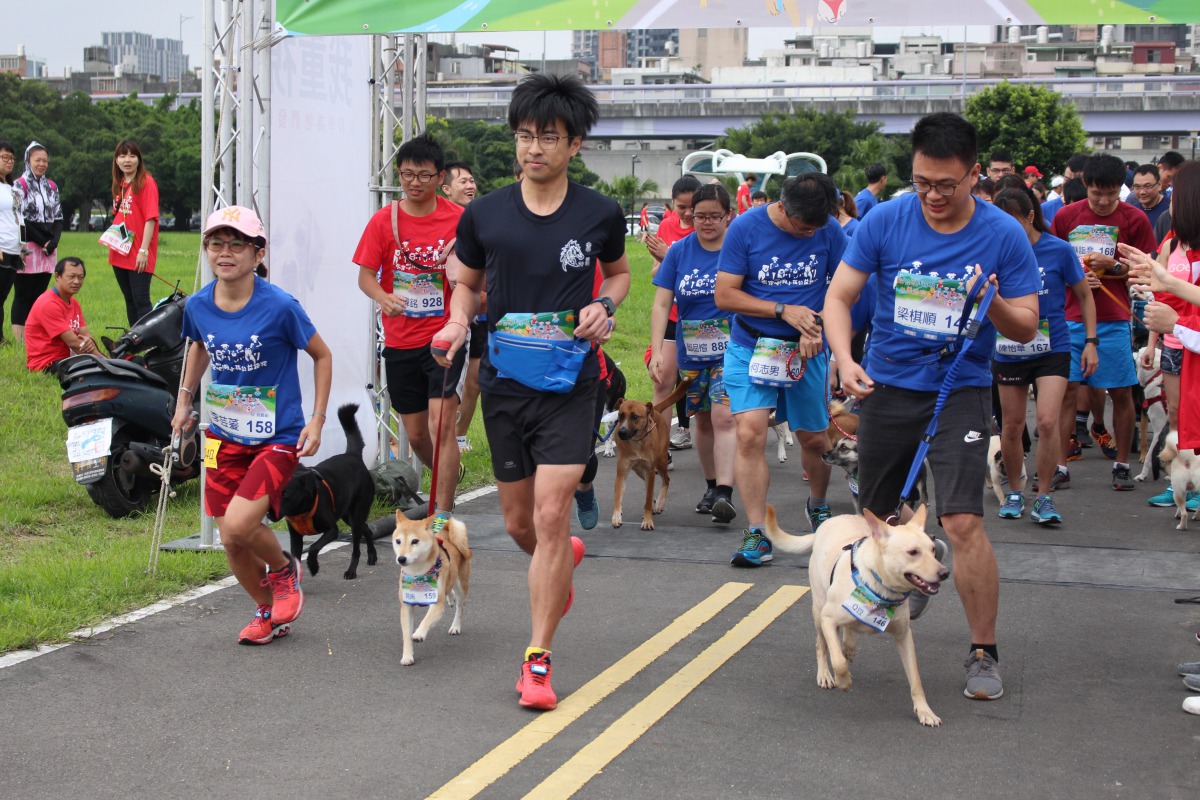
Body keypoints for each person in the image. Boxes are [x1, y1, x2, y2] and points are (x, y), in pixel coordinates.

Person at [824, 111, 1041, 702]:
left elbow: (1025, 327)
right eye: (923, 183)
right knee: (875, 517)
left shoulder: (1002, 234)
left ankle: (982, 651)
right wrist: (845, 359)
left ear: (975, 175)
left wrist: (991, 302)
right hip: (888, 387)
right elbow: (839, 297)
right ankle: (875, 605)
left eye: (948, 184)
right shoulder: (887, 219)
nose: (934, 196)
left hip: (961, 388)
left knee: (962, 520)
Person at [432, 73, 631, 711]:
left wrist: (604, 304)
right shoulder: (484, 213)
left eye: (548, 136)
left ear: (575, 144)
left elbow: (622, 275)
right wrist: (460, 320)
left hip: (572, 383)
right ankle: (558, 562)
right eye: (524, 136)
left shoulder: (598, 213)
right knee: (521, 524)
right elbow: (464, 283)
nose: (534, 148)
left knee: (550, 515)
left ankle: (537, 661)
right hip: (505, 384)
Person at [171, 206, 332, 645]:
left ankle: (284, 570)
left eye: (237, 244)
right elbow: (199, 347)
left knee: (242, 525)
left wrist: (316, 420)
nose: (225, 253)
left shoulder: (280, 306)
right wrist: (185, 399)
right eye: (216, 244)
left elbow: (322, 355)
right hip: (221, 435)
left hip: (275, 437)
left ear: (258, 253)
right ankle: (267, 613)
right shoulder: (199, 304)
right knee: (230, 540)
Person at [716, 171, 848, 566]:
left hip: (807, 351)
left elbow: (847, 290)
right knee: (750, 433)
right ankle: (758, 531)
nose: (810, 234)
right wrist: (781, 310)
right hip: (751, 346)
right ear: (782, 207)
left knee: (814, 440)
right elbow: (725, 294)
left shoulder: (829, 231)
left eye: (817, 227)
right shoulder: (746, 228)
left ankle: (819, 507)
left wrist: (818, 326)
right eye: (803, 227)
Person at [353, 133, 465, 526]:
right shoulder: (385, 220)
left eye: (423, 175)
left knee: (441, 424)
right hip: (400, 340)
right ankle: (447, 475)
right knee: (417, 435)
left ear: (440, 177)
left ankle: (443, 512)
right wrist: (383, 297)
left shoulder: (459, 220)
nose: (414, 182)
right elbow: (365, 276)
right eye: (406, 175)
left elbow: (476, 274)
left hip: (444, 335)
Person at [991, 186, 1097, 523]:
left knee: (1049, 421)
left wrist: (1092, 341)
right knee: (1012, 426)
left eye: (1014, 222)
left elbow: (1084, 295)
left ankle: (1045, 496)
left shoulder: (1059, 250)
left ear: (1031, 215)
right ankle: (1013, 492)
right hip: (1008, 348)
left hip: (1053, 347)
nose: (1007, 231)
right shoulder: (994, 252)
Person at [1051, 153, 1157, 491]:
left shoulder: (1134, 218)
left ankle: (1123, 463)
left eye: (1111, 193)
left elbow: (1147, 270)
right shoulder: (1066, 216)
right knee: (1066, 391)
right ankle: (1060, 465)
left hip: (1113, 318)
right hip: (1069, 317)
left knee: (1121, 391)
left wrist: (1112, 267)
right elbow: (1051, 268)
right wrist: (1077, 279)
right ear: (1086, 185)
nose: (1104, 200)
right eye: (1097, 192)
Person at [651, 182, 738, 523]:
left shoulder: (738, 248)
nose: (705, 222)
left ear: (728, 215)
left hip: (732, 349)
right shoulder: (679, 251)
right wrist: (658, 349)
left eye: (714, 216)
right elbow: (661, 303)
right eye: (699, 215)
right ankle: (713, 486)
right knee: (701, 419)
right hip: (691, 350)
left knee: (724, 416)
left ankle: (727, 493)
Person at [1126, 160, 1200, 510]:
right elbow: (1161, 290)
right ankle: (1180, 482)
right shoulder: (1174, 239)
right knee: (1178, 415)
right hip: (1176, 339)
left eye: (1173, 191)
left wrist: (1163, 286)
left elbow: (1169, 288)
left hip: (1189, 335)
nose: (1168, 199)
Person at [646, 175, 701, 450]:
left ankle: (708, 444)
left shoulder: (707, 227)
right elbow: (657, 273)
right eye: (682, 207)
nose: (689, 213)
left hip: (703, 319)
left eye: (694, 207)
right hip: (672, 316)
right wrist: (664, 259)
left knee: (703, 388)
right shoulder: (666, 226)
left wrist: (669, 255)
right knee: (663, 380)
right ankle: (660, 447)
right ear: (672, 204)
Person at [440, 161, 484, 455]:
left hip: (483, 311)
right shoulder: (442, 221)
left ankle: (460, 435)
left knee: (476, 378)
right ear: (445, 189)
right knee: (450, 382)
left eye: (471, 180)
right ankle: (442, 436)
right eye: (462, 182)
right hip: (450, 316)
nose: (470, 186)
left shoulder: (482, 217)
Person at [105, 141, 159, 325]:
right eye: (122, 156)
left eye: (132, 156)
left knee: (141, 300)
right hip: (120, 251)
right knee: (129, 300)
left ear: (139, 159)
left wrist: (144, 251)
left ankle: (150, 344)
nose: (127, 160)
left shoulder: (146, 182)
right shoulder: (119, 183)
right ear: (116, 160)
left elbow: (150, 219)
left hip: (139, 253)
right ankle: (136, 343)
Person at [13, 142, 62, 343]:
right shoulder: (19, 185)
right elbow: (19, 217)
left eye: (45, 161)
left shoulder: (51, 186)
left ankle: (33, 335)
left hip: (48, 249)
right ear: (28, 161)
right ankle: (19, 340)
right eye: (37, 160)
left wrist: (53, 242)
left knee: (38, 294)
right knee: (23, 294)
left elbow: (58, 217)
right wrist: (42, 240)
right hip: (28, 247)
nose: (42, 164)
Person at [24, 256, 99, 373]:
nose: (76, 282)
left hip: (69, 357)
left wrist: (90, 342)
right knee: (96, 369)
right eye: (71, 277)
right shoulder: (49, 304)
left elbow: (86, 336)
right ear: (57, 276)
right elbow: (74, 343)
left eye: (80, 277)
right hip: (47, 363)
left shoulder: (73, 302)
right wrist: (106, 362)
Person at [0, 141, 22, 345]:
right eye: (4, 157)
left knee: (3, 296)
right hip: (1, 248)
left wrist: (23, 246)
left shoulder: (13, 188)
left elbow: (19, 217)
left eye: (12, 158)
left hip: (14, 249)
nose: (9, 161)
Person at [1042, 153, 1088, 225]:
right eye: (1067, 180)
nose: (1071, 185)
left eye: (1077, 181)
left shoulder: (1098, 210)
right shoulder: (1044, 210)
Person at [1132, 164, 1170, 230]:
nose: (1142, 192)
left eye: (1147, 186)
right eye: (1137, 187)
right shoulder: (1132, 212)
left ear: (1159, 185)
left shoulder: (1170, 209)